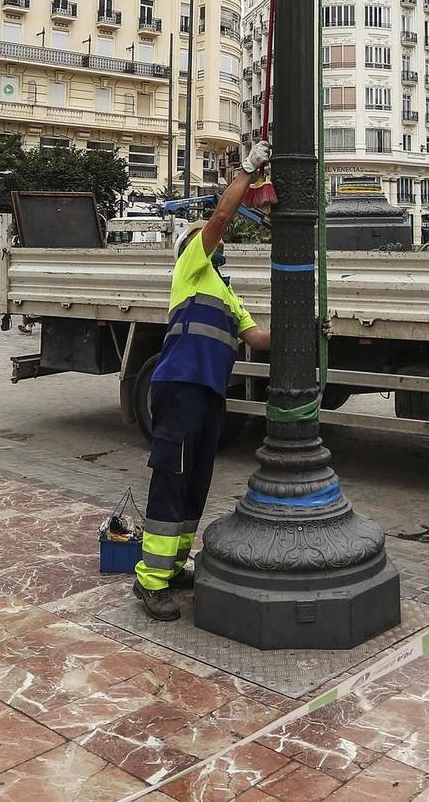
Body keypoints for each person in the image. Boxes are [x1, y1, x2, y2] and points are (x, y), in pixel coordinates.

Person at [134, 140, 274, 622]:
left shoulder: (228, 295)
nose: (219, 249)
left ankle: (172, 566)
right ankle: (149, 580)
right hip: (177, 389)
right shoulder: (189, 271)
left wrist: (306, 326)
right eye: (212, 245)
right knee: (171, 480)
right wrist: (247, 172)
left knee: (195, 482)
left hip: (210, 397)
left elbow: (258, 339)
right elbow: (218, 220)